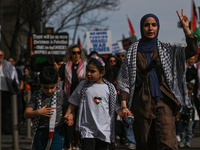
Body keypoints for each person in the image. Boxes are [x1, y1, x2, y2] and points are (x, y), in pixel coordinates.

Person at [117, 10, 198, 150]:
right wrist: (124, 106)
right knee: (145, 145)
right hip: (141, 104)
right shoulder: (132, 53)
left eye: (154, 25)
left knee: (168, 143)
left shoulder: (167, 50)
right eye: (147, 25)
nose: (150, 28)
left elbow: (192, 50)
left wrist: (186, 29)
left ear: (158, 27)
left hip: (164, 101)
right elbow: (124, 82)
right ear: (142, 28)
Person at [64, 55, 128, 150]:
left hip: (104, 130)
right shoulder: (82, 86)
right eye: (88, 70)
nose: (88, 74)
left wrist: (122, 112)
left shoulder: (109, 88)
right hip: (87, 129)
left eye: (92, 71)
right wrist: (68, 114)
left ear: (102, 73)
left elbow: (115, 106)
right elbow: (73, 102)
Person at [24, 66, 72, 150]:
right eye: (45, 88)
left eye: (52, 87)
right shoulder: (36, 95)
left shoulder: (61, 94)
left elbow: (68, 109)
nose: (49, 91)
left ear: (57, 83)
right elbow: (26, 114)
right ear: (40, 83)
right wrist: (38, 112)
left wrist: (70, 116)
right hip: (41, 132)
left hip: (57, 132)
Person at [58, 44, 86, 150]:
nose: (76, 55)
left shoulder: (85, 66)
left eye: (78, 52)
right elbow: (59, 79)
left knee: (80, 122)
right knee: (69, 122)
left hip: (81, 98)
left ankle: (77, 144)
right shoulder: (65, 66)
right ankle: (69, 146)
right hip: (68, 97)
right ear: (70, 54)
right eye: (74, 53)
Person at [0, 50, 19, 134]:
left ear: (3, 56)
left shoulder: (8, 65)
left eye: (1, 55)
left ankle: (6, 128)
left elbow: (13, 77)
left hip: (6, 91)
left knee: (7, 111)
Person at [179, 82, 195, 148]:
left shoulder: (193, 96)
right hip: (182, 114)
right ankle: (182, 141)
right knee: (182, 129)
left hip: (190, 116)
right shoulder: (182, 95)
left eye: (190, 90)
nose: (189, 91)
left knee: (189, 129)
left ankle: (188, 141)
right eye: (188, 89)